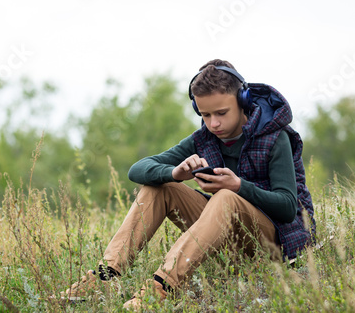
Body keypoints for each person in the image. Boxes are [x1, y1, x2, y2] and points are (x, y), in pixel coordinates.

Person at [61, 59, 316, 310]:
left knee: (226, 197)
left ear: (243, 102)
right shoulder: (203, 138)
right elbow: (136, 170)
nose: (213, 123)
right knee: (158, 185)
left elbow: (287, 207)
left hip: (272, 244)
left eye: (221, 113)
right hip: (225, 239)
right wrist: (175, 172)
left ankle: (161, 289)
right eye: (205, 114)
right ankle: (106, 277)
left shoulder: (276, 137)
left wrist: (238, 186)